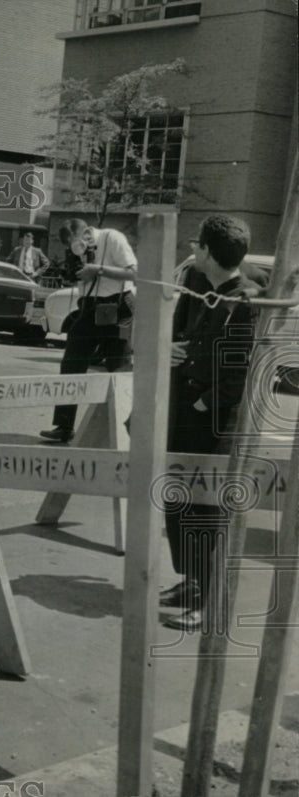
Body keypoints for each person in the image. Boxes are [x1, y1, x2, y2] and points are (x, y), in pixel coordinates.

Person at [161, 215, 259, 632]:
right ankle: (192, 580)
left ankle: (210, 594)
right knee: (178, 499)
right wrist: (172, 350)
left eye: (198, 245)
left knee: (208, 509)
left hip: (214, 421)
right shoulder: (202, 290)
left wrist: (204, 403)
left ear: (209, 252)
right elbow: (182, 336)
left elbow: (239, 374)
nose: (193, 250)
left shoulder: (246, 300)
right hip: (185, 411)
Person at [40, 218, 137, 443]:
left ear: (86, 233)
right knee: (72, 362)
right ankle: (63, 426)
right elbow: (73, 274)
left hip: (117, 305)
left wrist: (98, 269)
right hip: (89, 306)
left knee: (118, 367)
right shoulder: (75, 251)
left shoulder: (112, 238)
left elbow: (134, 273)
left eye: (80, 242)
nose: (79, 248)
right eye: (71, 247)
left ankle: (125, 432)